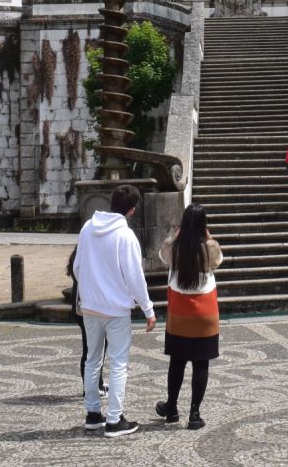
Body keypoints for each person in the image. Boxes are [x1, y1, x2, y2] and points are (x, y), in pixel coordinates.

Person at [73, 183, 157, 438]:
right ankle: (114, 418)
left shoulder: (88, 228)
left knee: (92, 359)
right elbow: (134, 276)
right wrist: (148, 308)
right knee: (118, 363)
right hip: (116, 308)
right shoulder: (125, 236)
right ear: (132, 210)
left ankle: (93, 414)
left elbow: (77, 266)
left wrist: (90, 290)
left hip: (90, 306)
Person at [156, 204, 223, 430]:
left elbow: (161, 255)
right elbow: (219, 260)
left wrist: (177, 235)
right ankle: (195, 413)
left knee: (177, 361)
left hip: (180, 311)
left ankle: (172, 408)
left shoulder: (175, 249)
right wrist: (208, 236)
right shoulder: (208, 248)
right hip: (205, 312)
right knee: (200, 363)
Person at [66, 248, 106, 400]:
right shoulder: (88, 256)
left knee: (95, 349)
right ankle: (89, 388)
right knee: (91, 351)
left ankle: (97, 384)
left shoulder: (82, 254)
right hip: (86, 310)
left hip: (84, 309)